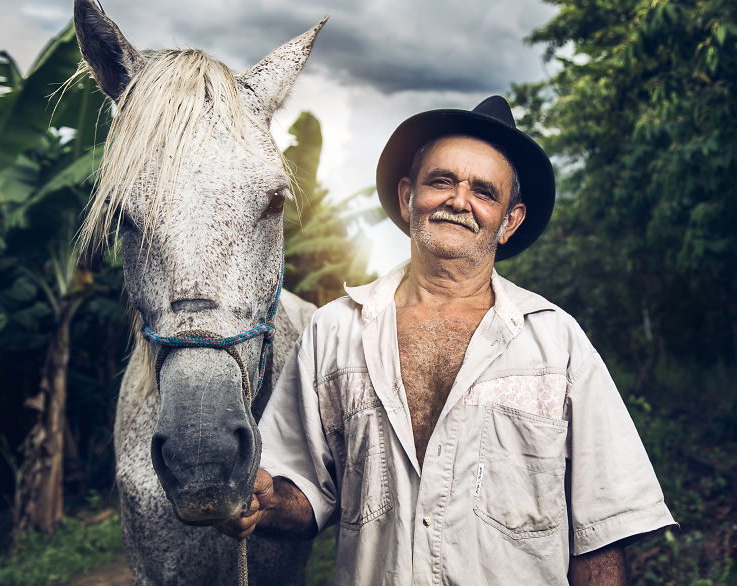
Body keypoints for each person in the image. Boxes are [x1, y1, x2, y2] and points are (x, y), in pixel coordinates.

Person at [217, 96, 676, 585]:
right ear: (407, 196)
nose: (459, 201)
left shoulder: (556, 343)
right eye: (442, 181)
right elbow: (305, 492)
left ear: (510, 221)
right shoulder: (334, 331)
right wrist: (266, 502)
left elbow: (600, 531)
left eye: (483, 191)